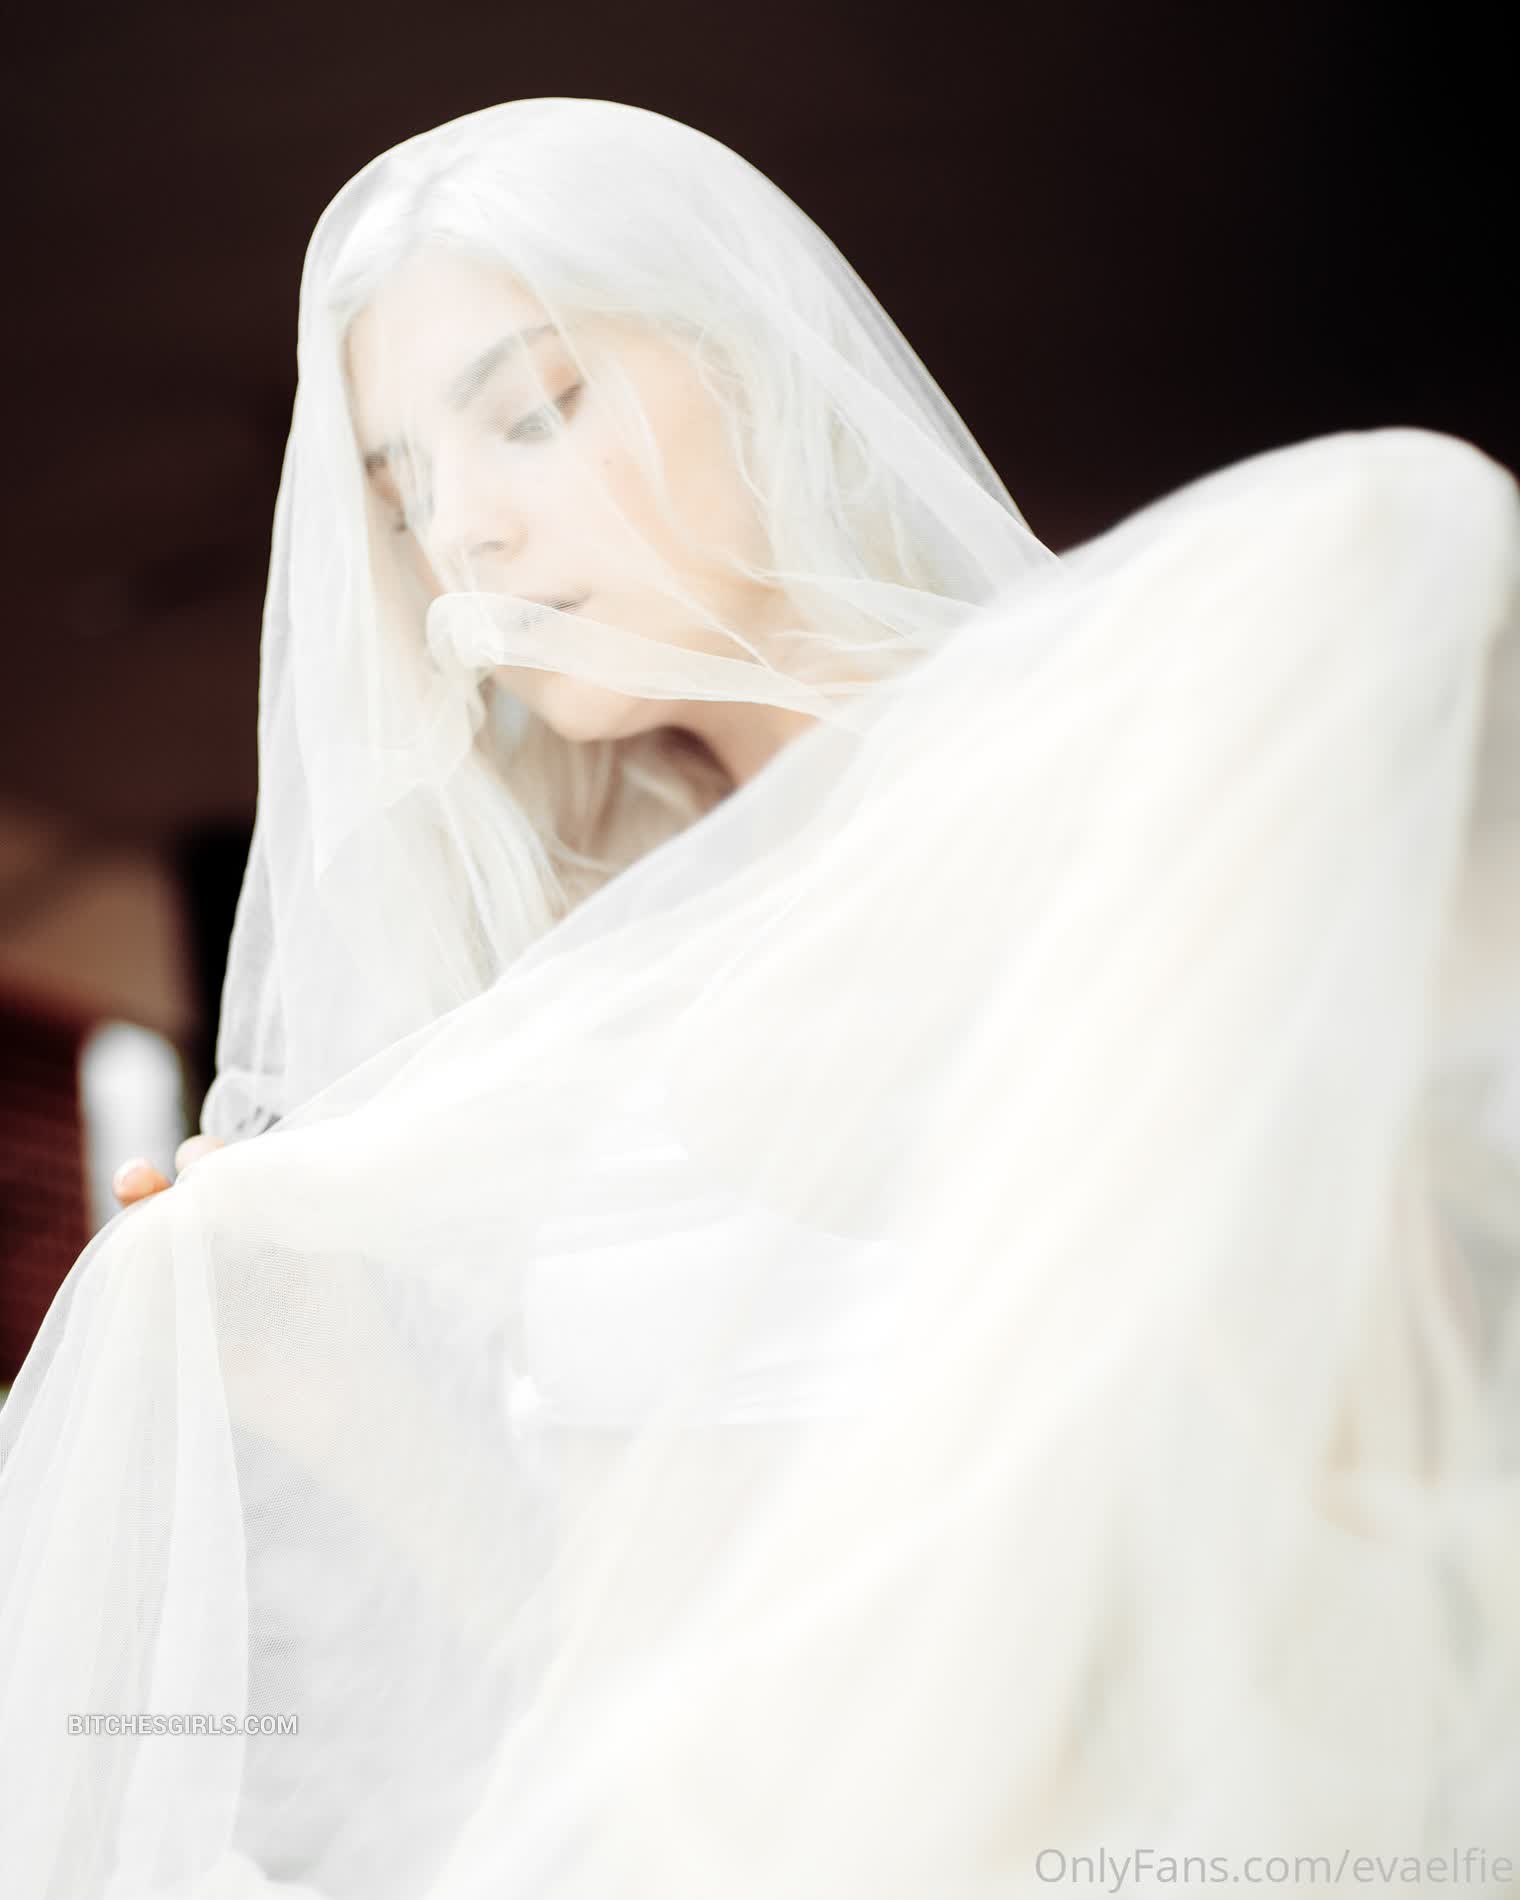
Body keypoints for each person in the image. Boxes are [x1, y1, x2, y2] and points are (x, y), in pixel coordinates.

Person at [5, 97, 1519, 1898]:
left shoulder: (1124, 785)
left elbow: (1312, 1487)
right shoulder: (582, 984)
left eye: (532, 412)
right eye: (402, 491)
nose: (463, 531)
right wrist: (347, 1405)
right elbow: (607, 1656)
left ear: (758, 368)